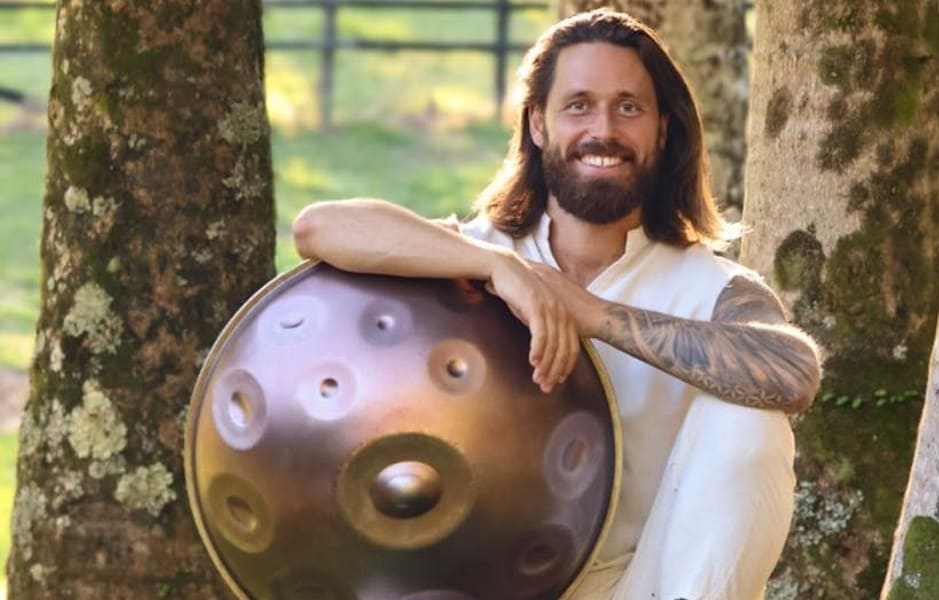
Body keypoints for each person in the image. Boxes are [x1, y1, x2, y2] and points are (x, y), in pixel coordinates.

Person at [292, 9, 821, 599]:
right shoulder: (471, 255)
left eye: (629, 107)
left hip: (643, 583)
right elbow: (319, 229)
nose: (604, 129)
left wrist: (589, 313)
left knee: (749, 418)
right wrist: (500, 268)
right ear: (538, 124)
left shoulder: (711, 286)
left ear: (662, 129)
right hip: (483, 587)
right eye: (578, 105)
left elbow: (794, 373)